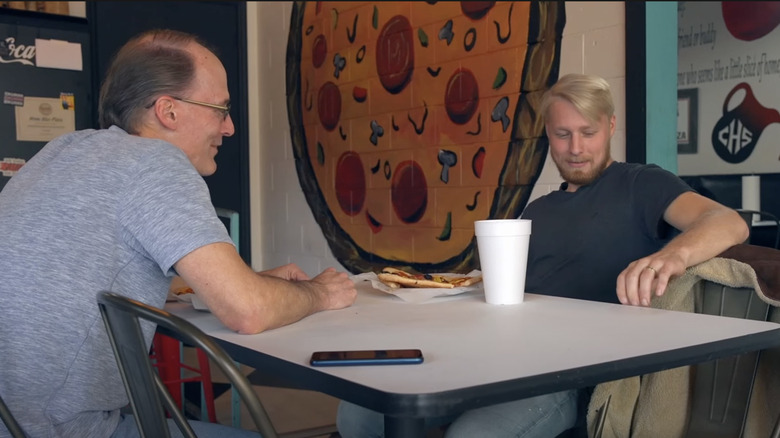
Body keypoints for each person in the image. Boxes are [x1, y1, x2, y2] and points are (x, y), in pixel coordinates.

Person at [335, 73, 748, 437]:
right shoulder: (537, 211)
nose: (576, 148)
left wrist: (671, 257)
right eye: (562, 134)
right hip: (502, 357)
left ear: (611, 126)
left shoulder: (641, 184)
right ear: (547, 135)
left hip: (571, 373)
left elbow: (728, 221)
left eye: (588, 132)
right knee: (360, 414)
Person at [0, 29, 356, 438]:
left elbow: (80, 276)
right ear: (168, 112)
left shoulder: (62, 150)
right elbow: (249, 312)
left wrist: (250, 281)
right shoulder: (154, 164)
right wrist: (320, 293)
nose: (230, 128)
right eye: (220, 110)